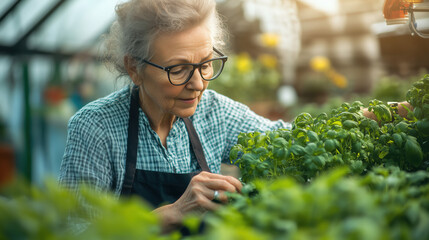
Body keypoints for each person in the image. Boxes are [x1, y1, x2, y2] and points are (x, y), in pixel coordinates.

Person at [59, 0, 291, 233]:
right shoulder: (96, 127)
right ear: (134, 68)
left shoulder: (216, 113)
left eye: (206, 64)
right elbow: (75, 230)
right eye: (178, 70)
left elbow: (288, 145)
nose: (198, 85)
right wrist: (174, 212)